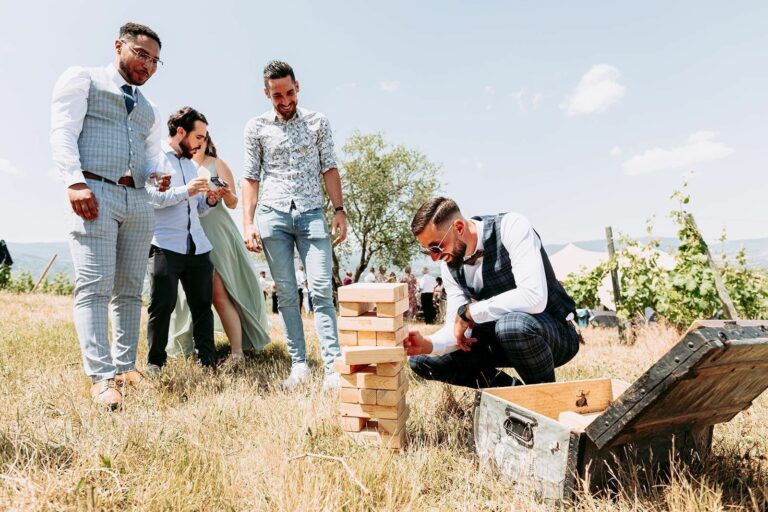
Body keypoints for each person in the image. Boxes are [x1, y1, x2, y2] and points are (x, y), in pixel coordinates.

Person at [50, 22, 169, 409]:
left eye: (154, 61)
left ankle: (124, 367)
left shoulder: (149, 108)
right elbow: (63, 131)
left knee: (131, 290)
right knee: (95, 286)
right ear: (119, 46)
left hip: (137, 199)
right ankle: (101, 378)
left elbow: (152, 154)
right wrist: (73, 181)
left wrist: (158, 172)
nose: (147, 66)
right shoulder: (83, 79)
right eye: (141, 55)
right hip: (94, 190)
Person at [242, 60, 347, 390]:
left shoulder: (318, 122)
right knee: (287, 293)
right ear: (266, 93)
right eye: (277, 95)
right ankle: (299, 365)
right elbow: (250, 177)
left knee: (320, 290)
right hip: (272, 215)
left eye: (289, 92)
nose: (285, 101)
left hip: (312, 213)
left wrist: (340, 210)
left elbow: (329, 167)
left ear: (297, 86)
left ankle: (333, 367)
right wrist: (247, 222)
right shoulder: (255, 128)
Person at [404, 197, 581, 389]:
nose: (434, 258)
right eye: (427, 251)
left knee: (511, 326)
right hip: (498, 340)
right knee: (422, 359)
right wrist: (427, 344)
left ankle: (545, 400)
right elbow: (456, 329)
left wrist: (471, 311)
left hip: (552, 334)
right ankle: (511, 394)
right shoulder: (450, 266)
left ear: (459, 227)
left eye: (436, 247)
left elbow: (533, 297)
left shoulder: (511, 226)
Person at [166, 131, 271, 366]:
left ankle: (237, 353)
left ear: (207, 141)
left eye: (201, 139)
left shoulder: (217, 164)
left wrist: (226, 193)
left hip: (217, 234)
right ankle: (194, 347)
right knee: (190, 296)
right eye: (192, 139)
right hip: (187, 235)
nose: (197, 144)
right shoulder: (178, 166)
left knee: (219, 294)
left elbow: (233, 203)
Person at [145, 107, 225, 373]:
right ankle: (155, 364)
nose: (202, 142)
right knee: (162, 307)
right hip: (165, 246)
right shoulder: (155, 160)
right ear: (181, 132)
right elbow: (151, 199)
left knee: (203, 308)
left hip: (197, 247)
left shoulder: (192, 166)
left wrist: (209, 200)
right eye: (198, 136)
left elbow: (197, 208)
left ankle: (207, 363)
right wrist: (185, 190)